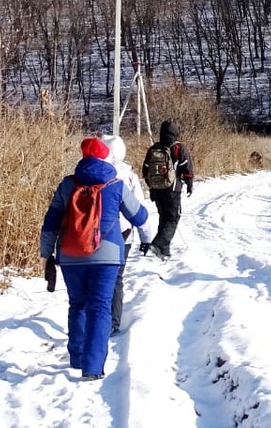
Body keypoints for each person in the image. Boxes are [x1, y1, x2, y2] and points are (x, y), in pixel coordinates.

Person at [40, 136, 149, 380]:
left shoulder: (67, 185)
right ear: (106, 157)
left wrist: (46, 253)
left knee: (77, 304)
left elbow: (50, 222)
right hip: (108, 255)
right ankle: (92, 367)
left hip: (70, 254)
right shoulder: (116, 184)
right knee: (100, 307)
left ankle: (77, 357)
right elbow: (140, 217)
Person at [100, 134, 156, 336]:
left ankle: (96, 321)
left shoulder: (94, 173)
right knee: (116, 278)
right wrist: (146, 238)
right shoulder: (129, 176)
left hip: (96, 235)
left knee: (97, 278)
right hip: (123, 235)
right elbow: (139, 210)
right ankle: (113, 322)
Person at [144, 119, 194, 260]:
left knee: (164, 218)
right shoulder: (179, 148)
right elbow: (187, 168)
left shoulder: (153, 149)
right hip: (173, 189)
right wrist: (189, 184)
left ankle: (164, 252)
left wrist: (152, 187)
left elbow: (145, 170)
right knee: (173, 218)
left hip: (157, 189)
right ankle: (158, 245)